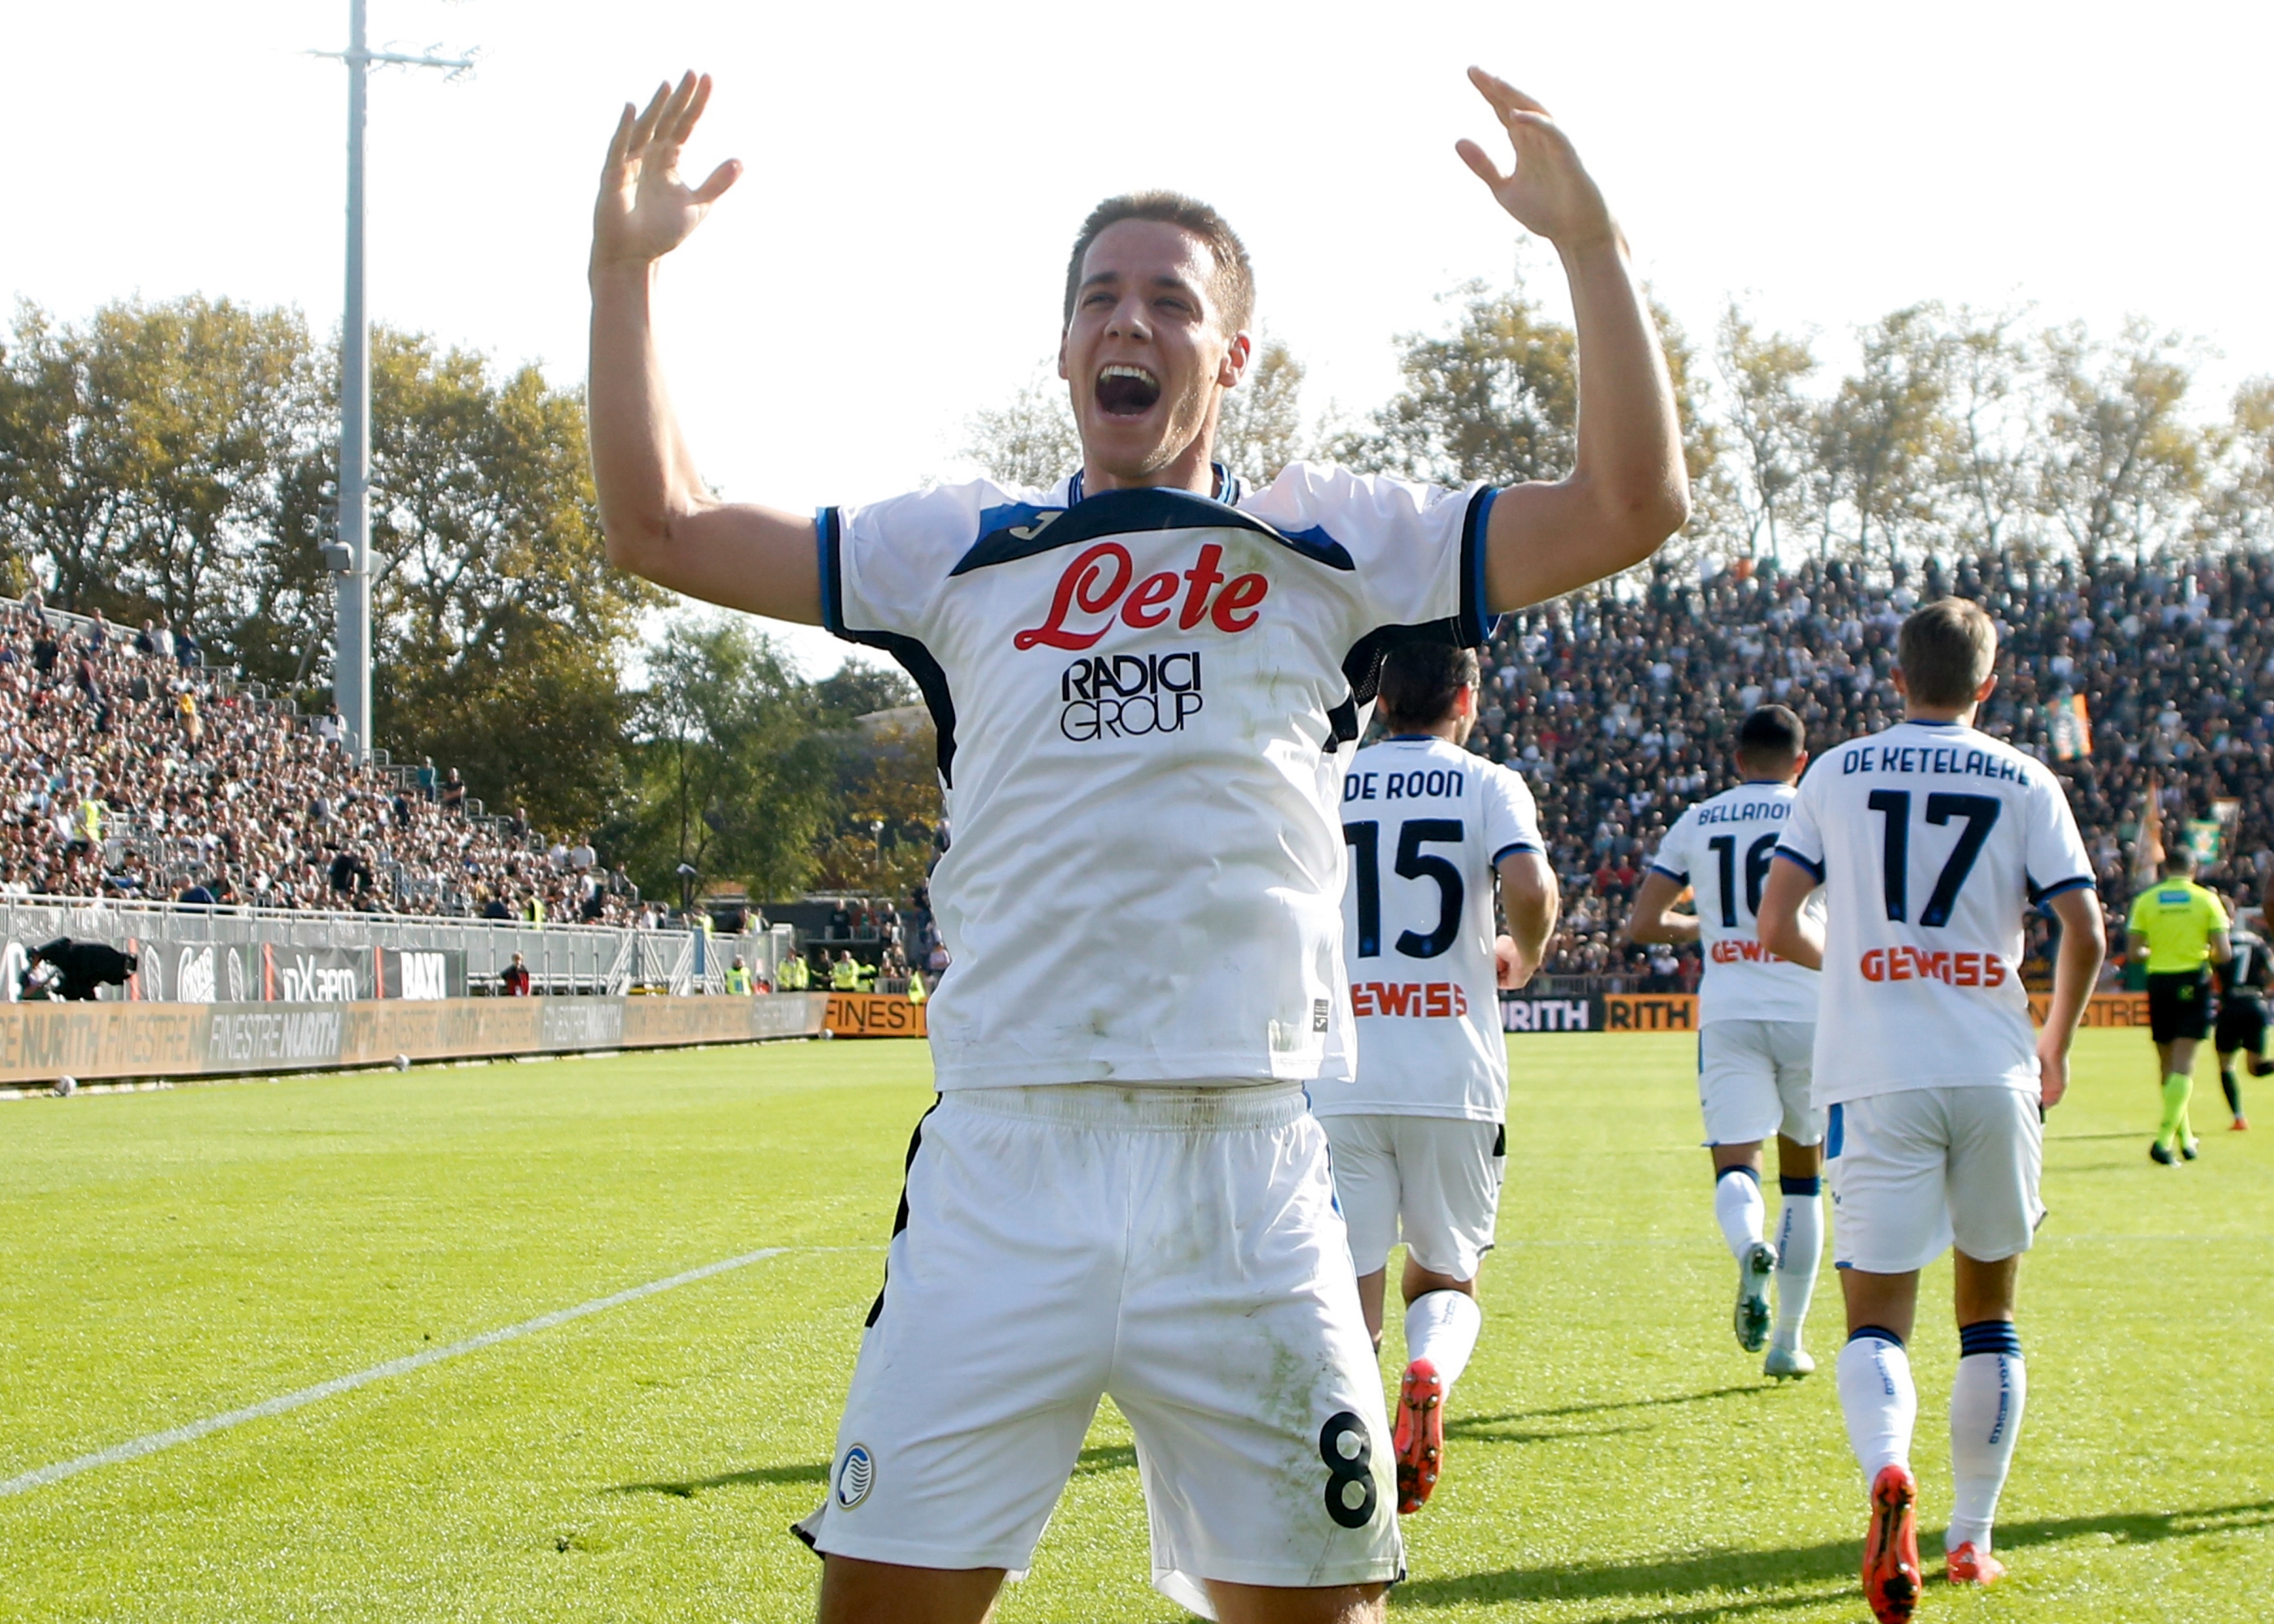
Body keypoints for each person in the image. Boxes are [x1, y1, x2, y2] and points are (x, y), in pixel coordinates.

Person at [586, 66, 1684, 1624]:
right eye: (1099, 297)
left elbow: (1634, 502)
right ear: (1060, 347)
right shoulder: (961, 547)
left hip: (1248, 1168)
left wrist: (1594, 247)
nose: (1128, 323)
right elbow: (661, 527)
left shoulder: (1333, 539)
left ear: (1233, 355)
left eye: (1169, 302)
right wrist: (624, 272)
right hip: (1003, 1162)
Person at [1759, 598, 2104, 1617]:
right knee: (1988, 1315)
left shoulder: (1833, 771)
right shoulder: (2025, 776)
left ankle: (1885, 1469)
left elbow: (1779, 921)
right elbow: (2081, 927)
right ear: (1987, 684)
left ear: (1895, 676)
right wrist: (2054, 1042)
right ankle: (1970, 1540)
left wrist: (1857, 971)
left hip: (1874, 1072)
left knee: (1877, 1317)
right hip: (1992, 1065)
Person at [1316, 641, 1555, 1515]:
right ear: (1466, 694)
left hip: (1340, 1069)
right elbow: (1527, 881)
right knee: (1446, 1279)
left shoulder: (1331, 776)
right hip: (1453, 1068)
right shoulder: (1489, 782)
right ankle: (1428, 1371)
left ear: (1379, 697)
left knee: (1347, 1284)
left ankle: (1349, 1466)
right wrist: (1521, 952)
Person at [1629, 704, 1827, 1378]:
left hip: (1732, 1010)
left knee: (1736, 1164)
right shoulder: (1817, 813)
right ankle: (1789, 1344)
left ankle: (1749, 1245)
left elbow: (1645, 921)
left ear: (1737, 760)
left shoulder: (1701, 818)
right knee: (1803, 1181)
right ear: (1801, 762)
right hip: (1811, 1006)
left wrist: (1703, 927)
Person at [2125, 848, 2232, 1163]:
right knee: (2184, 1065)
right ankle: (2162, 1141)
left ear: (2164, 868)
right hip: (2192, 980)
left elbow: (2134, 953)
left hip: (2159, 982)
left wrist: (2157, 951)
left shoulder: (2147, 900)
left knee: (2166, 1064)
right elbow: (2223, 953)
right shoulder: (2206, 900)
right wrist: (2198, 953)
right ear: (2194, 868)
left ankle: (2185, 1138)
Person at [2213, 887, 2271, 1130]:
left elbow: (2213, 978)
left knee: (2226, 1064)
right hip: (2256, 1005)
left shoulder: (2217, 944)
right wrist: (2262, 991)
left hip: (2231, 1007)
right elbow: (2271, 972)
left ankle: (2238, 1117)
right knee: (2256, 1068)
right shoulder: (2256, 941)